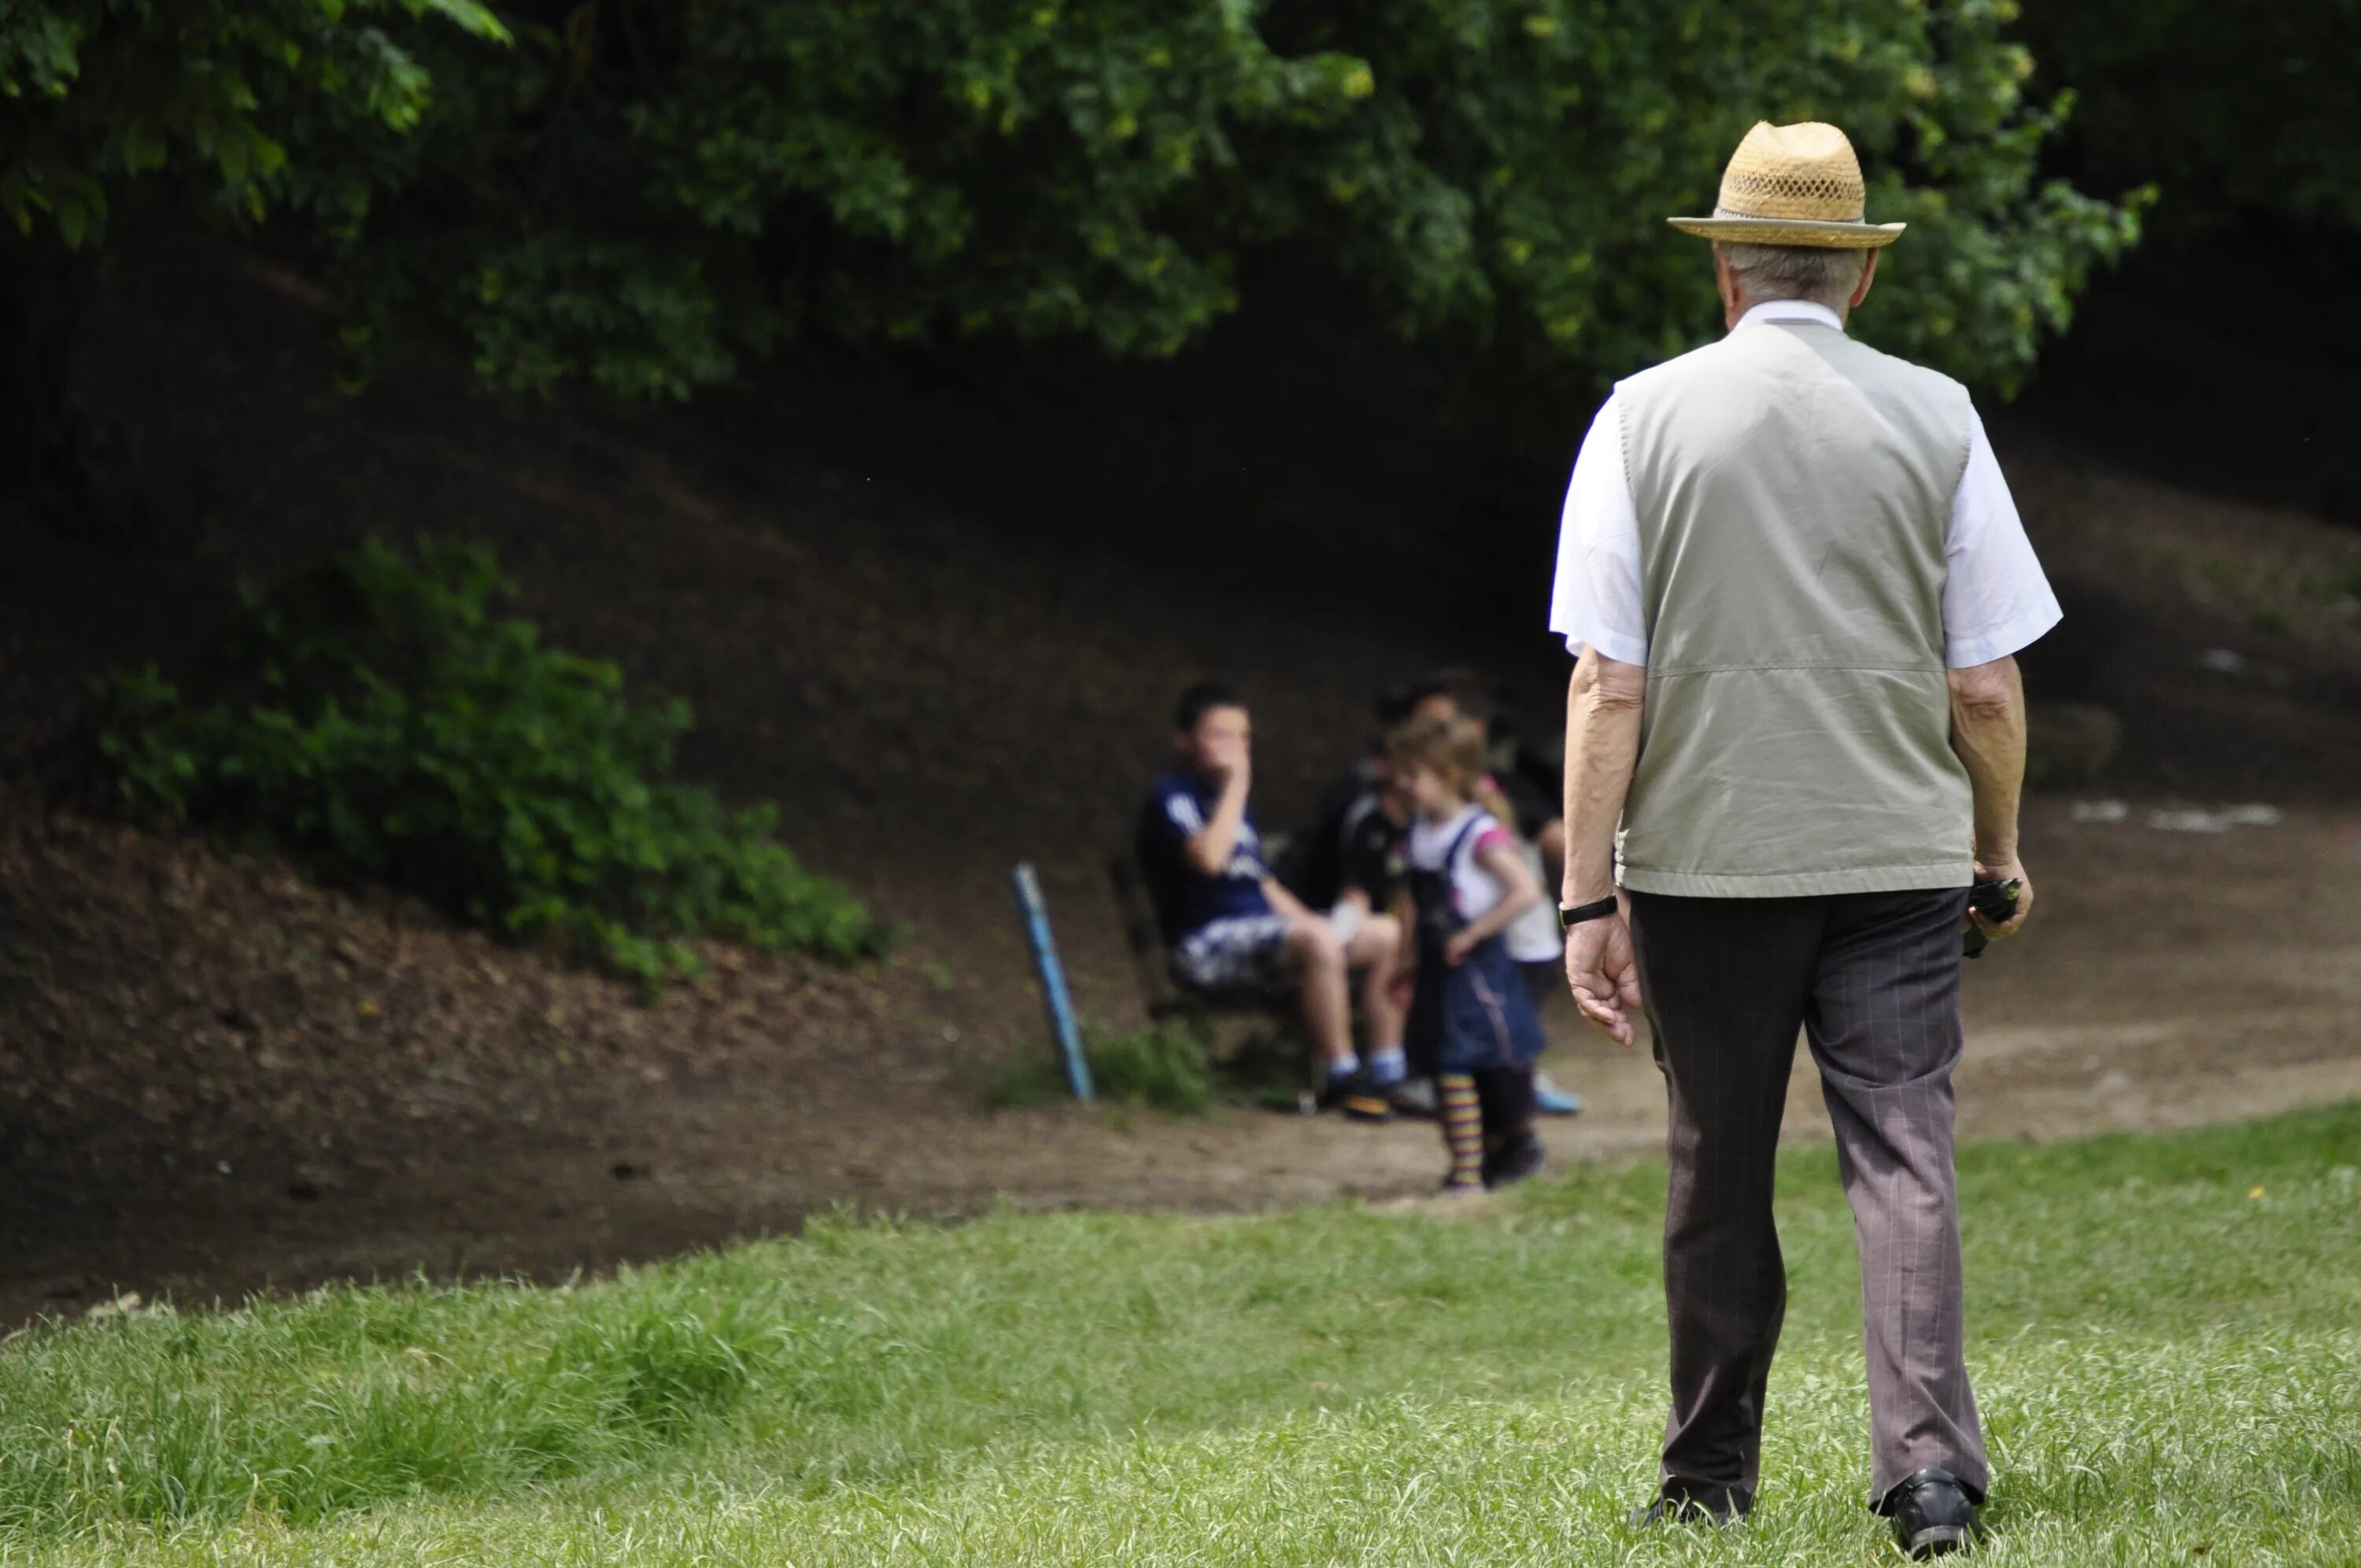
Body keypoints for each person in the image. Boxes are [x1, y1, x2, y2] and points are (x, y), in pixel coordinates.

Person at [1549, 122, 2053, 1559]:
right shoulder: (1941, 415)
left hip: (1707, 863)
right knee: (1904, 1149)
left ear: (1726, 268)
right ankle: (1932, 1480)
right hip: (1897, 859)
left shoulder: (1639, 419)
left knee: (1718, 1158)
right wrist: (1994, 851)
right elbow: (1985, 679)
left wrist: (1589, 899)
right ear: (1859, 278)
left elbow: (1608, 681)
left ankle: (1710, 1475)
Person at [1136, 681, 1407, 1117]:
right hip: (1204, 945)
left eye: (1242, 736)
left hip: (1263, 936)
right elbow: (1208, 859)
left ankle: (1388, 1072)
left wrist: (1322, 928)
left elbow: (1262, 884)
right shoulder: (1172, 797)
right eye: (1218, 735)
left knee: (1387, 933)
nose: (1235, 748)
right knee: (1318, 940)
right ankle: (1341, 1076)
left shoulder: (1233, 804)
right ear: (1183, 740)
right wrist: (1238, 785)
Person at [1396, 672, 1585, 1118]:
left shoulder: (1500, 793)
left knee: (1502, 1041)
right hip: (1481, 948)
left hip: (1519, 944)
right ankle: (1493, 1121)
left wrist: (1585, 904)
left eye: (1438, 728)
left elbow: (1555, 843)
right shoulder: (1426, 823)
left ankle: (1514, 1122)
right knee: (1480, 1042)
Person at [1387, 714, 1549, 1194]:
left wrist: (1474, 933)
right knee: (1443, 1062)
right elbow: (1412, 904)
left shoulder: (1477, 832)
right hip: (1437, 966)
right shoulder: (1418, 833)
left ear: (1449, 777)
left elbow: (1525, 890)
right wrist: (1405, 958)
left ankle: (1478, 1165)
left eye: (1412, 774)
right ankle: (1472, 1162)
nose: (1402, 784)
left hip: (1476, 966)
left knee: (1476, 1061)